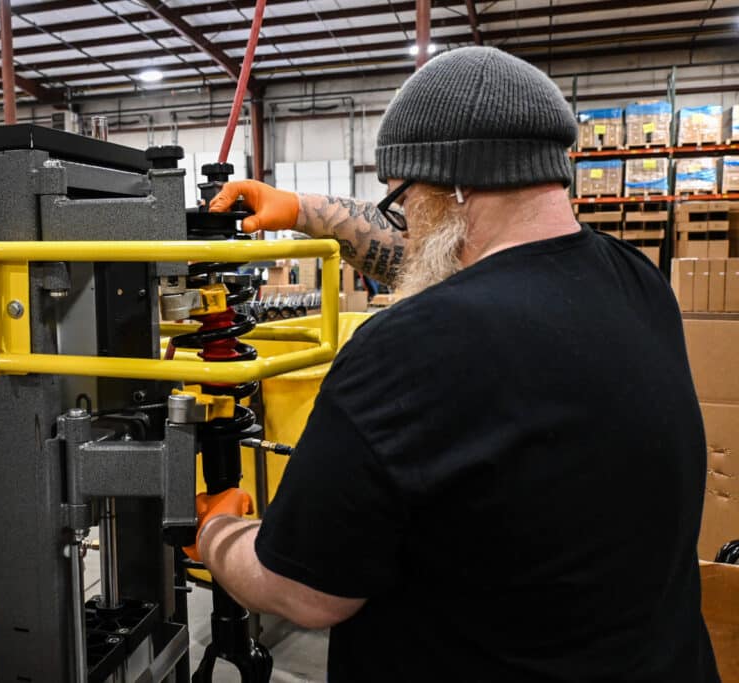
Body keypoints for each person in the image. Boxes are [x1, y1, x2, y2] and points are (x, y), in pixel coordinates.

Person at [191, 46, 719, 682]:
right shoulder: (638, 282)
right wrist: (300, 209)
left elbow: (303, 592)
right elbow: (441, 252)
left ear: (455, 188)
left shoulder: (408, 350)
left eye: (402, 199)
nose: (404, 222)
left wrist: (219, 531)